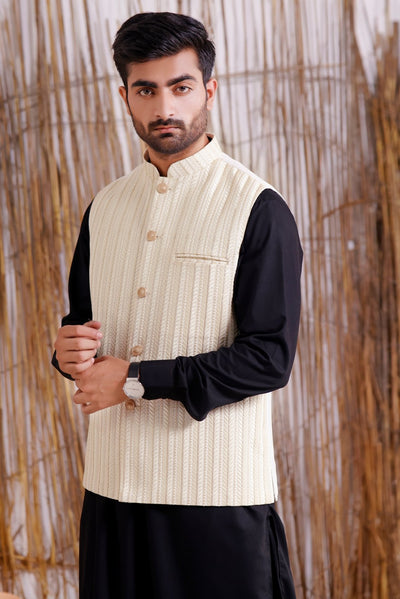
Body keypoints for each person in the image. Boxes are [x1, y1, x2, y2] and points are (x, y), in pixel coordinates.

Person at [52, 11, 302, 599]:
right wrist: (66, 354)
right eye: (146, 90)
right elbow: (81, 327)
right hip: (111, 490)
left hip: (215, 498)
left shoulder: (258, 208)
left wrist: (134, 380)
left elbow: (269, 359)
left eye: (180, 87)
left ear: (209, 90)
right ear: (125, 97)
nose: (164, 106)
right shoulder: (104, 208)